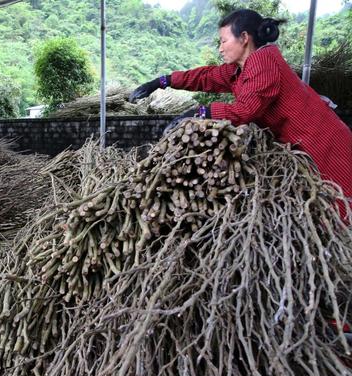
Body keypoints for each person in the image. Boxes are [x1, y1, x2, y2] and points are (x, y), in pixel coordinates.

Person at [129, 8, 352, 220]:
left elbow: (245, 110)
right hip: (304, 143)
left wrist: (202, 111)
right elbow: (207, 76)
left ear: (244, 38)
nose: (220, 48)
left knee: (341, 206)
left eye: (224, 41)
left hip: (326, 143)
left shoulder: (264, 63)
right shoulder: (241, 67)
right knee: (324, 204)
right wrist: (163, 81)